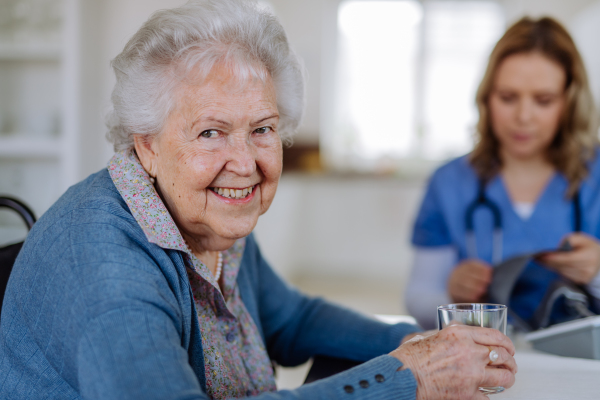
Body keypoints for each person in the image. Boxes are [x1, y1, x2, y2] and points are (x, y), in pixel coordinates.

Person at [0, 1, 516, 399]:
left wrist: (424, 345)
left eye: (263, 129)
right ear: (147, 144)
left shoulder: (203, 220)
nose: (245, 163)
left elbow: (291, 319)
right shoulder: (103, 259)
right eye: (210, 133)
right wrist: (408, 378)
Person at [406, 16, 600, 330]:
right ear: (486, 98)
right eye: (508, 98)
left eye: (543, 100)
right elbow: (418, 297)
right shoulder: (449, 183)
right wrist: (451, 298)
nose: (523, 117)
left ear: (570, 102)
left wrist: (597, 273)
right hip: (479, 370)